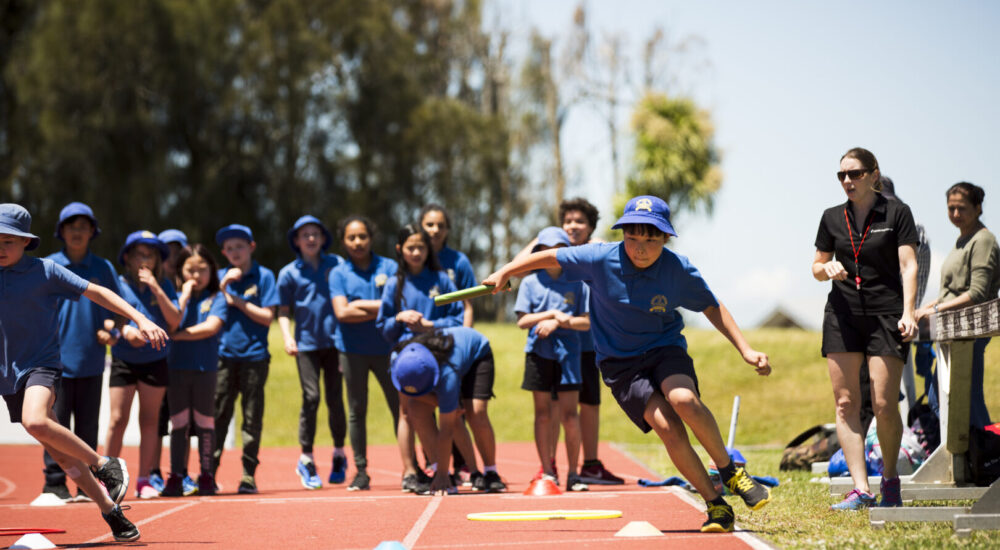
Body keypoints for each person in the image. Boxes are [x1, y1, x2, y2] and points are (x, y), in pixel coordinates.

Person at [484, 195, 773, 533]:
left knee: (683, 400)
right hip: (621, 364)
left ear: (665, 238)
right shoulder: (598, 258)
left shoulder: (677, 270)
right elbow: (549, 256)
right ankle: (716, 505)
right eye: (632, 237)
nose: (640, 247)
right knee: (667, 427)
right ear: (622, 234)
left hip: (664, 348)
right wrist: (505, 271)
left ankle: (729, 471)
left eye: (651, 239)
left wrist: (745, 349)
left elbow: (711, 306)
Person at [1, 203, 169, 542]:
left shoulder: (45, 271)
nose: (1, 248)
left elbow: (97, 291)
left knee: (36, 420)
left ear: (26, 242)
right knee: (61, 454)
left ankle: (104, 462)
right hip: (8, 374)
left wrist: (141, 318)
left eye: (9, 241)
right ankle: (111, 510)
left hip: (41, 365)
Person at [812, 147, 918, 510]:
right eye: (842, 175)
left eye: (855, 174)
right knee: (845, 404)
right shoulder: (830, 217)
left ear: (874, 175)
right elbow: (816, 264)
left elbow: (909, 266)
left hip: (887, 315)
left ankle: (890, 479)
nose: (847, 181)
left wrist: (909, 312)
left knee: (885, 404)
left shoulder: (897, 213)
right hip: (842, 315)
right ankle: (860, 489)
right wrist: (825, 269)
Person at [515, 197, 624, 485]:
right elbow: (518, 266)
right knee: (549, 410)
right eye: (567, 221)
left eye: (579, 222)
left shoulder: (593, 252)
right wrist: (541, 239)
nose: (573, 226)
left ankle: (586, 465)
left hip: (586, 345)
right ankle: (548, 466)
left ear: (590, 228)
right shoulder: (540, 268)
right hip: (549, 349)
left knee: (585, 406)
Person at [39, 202, 121, 503]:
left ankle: (86, 487)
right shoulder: (47, 266)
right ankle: (54, 485)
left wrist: (112, 330)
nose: (77, 232)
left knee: (87, 427)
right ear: (61, 232)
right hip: (51, 361)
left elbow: (117, 311)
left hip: (91, 359)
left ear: (92, 232)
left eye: (83, 227)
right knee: (54, 427)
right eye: (71, 227)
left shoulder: (103, 268)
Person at [376, 224, 463, 492]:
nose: (416, 252)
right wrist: (399, 318)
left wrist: (430, 325)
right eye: (411, 247)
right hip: (406, 356)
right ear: (400, 250)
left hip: (439, 353)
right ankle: (409, 471)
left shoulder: (442, 280)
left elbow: (457, 318)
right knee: (407, 413)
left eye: (421, 247)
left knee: (440, 410)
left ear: (429, 250)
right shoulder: (394, 283)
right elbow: (383, 327)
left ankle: (440, 467)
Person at [916, 182, 998, 428]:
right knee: (943, 396)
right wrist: (929, 306)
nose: (955, 214)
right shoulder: (963, 239)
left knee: (965, 399)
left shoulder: (983, 240)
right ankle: (970, 459)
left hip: (969, 330)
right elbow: (952, 292)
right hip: (950, 329)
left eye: (961, 208)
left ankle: (985, 456)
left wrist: (936, 310)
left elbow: (977, 293)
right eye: (951, 208)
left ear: (978, 207)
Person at [514, 227, 591, 492]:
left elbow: (586, 323)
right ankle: (547, 470)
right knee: (543, 415)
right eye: (546, 249)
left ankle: (574, 474)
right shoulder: (530, 282)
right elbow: (522, 320)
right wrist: (550, 315)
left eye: (558, 248)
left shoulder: (578, 282)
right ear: (538, 252)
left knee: (571, 416)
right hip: (538, 354)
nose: (552, 254)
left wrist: (563, 320)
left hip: (569, 356)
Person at [106, 231, 181, 499]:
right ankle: (108, 478)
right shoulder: (117, 283)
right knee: (117, 420)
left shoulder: (165, 285)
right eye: (140, 253)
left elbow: (174, 321)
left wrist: (156, 287)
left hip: (155, 361)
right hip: (124, 360)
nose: (145, 259)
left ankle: (144, 480)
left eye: (150, 254)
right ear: (127, 257)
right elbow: (106, 319)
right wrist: (125, 332)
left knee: (149, 421)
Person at [390, 327, 507, 494]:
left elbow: (447, 429)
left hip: (477, 356)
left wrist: (447, 405)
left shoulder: (447, 374)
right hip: (431, 369)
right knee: (416, 409)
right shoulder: (399, 361)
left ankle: (489, 472)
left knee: (475, 412)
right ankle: (438, 470)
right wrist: (441, 472)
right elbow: (410, 395)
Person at [330, 215, 401, 491]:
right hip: (352, 351)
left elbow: (396, 304)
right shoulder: (338, 273)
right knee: (357, 410)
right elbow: (342, 312)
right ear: (344, 241)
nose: (357, 242)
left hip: (388, 348)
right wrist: (380, 307)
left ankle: (414, 467)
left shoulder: (391, 266)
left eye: (362, 236)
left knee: (402, 409)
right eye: (351, 237)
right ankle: (360, 471)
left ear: (371, 237)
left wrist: (359, 305)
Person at [277, 215, 348, 490]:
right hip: (305, 344)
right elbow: (283, 312)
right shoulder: (288, 273)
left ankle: (339, 455)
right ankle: (306, 459)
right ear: (296, 240)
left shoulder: (337, 265)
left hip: (336, 343)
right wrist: (287, 337)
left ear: (322, 238)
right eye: (304, 234)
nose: (310, 239)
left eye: (315, 234)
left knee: (335, 399)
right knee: (311, 397)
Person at [213, 224, 279, 494]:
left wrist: (236, 300)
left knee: (252, 418)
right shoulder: (217, 277)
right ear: (223, 252)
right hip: (222, 358)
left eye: (239, 246)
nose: (234, 251)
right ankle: (209, 472)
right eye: (229, 248)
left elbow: (267, 317)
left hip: (254, 357)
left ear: (251, 247)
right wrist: (222, 286)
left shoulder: (264, 276)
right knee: (218, 415)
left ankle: (248, 474)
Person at [418, 203, 479, 484]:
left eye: (440, 225)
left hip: (454, 342)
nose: (435, 230)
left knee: (455, 405)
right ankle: (433, 461)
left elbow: (467, 304)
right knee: (425, 404)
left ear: (447, 230)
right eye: (430, 224)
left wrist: (463, 338)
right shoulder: (415, 259)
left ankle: (464, 464)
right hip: (423, 346)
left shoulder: (459, 261)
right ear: (421, 226)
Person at [161, 244, 227, 497]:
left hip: (205, 369)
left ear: (212, 271)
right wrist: (184, 295)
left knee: (204, 422)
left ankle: (207, 475)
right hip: (176, 368)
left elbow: (211, 327)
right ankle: (177, 475)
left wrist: (177, 335)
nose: (196, 276)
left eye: (202, 270)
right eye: (190, 270)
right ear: (179, 272)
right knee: (178, 423)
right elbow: (169, 320)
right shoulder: (176, 299)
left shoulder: (217, 298)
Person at [151, 228, 189, 493]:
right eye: (167, 251)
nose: (172, 257)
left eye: (178, 251)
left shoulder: (194, 283)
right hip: (159, 359)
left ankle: (182, 471)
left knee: (183, 421)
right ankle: (153, 470)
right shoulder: (155, 285)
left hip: (187, 363)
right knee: (157, 419)